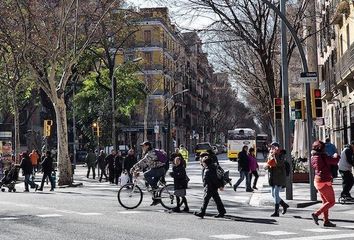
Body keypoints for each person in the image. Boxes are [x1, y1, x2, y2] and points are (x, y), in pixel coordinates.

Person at [311, 140, 339, 227]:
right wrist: (337, 156)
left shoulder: (313, 156)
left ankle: (326, 221)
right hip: (325, 181)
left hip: (317, 180)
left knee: (325, 202)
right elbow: (334, 161)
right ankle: (316, 214)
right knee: (331, 202)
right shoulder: (323, 156)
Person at [130, 141, 166, 206]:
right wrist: (138, 169)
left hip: (159, 170)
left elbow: (143, 162)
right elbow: (145, 164)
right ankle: (156, 200)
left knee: (146, 175)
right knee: (153, 186)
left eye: (143, 146)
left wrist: (133, 168)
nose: (142, 147)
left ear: (147, 146)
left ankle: (155, 189)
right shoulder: (151, 152)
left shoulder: (151, 153)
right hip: (158, 169)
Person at [266, 142, 289, 217]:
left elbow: (279, 163)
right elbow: (270, 164)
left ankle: (276, 212)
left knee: (276, 194)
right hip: (273, 177)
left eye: (274, 148)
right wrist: (268, 166)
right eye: (272, 148)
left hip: (279, 177)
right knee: (273, 194)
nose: (272, 149)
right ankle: (284, 205)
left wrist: (275, 155)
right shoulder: (271, 154)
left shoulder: (281, 154)